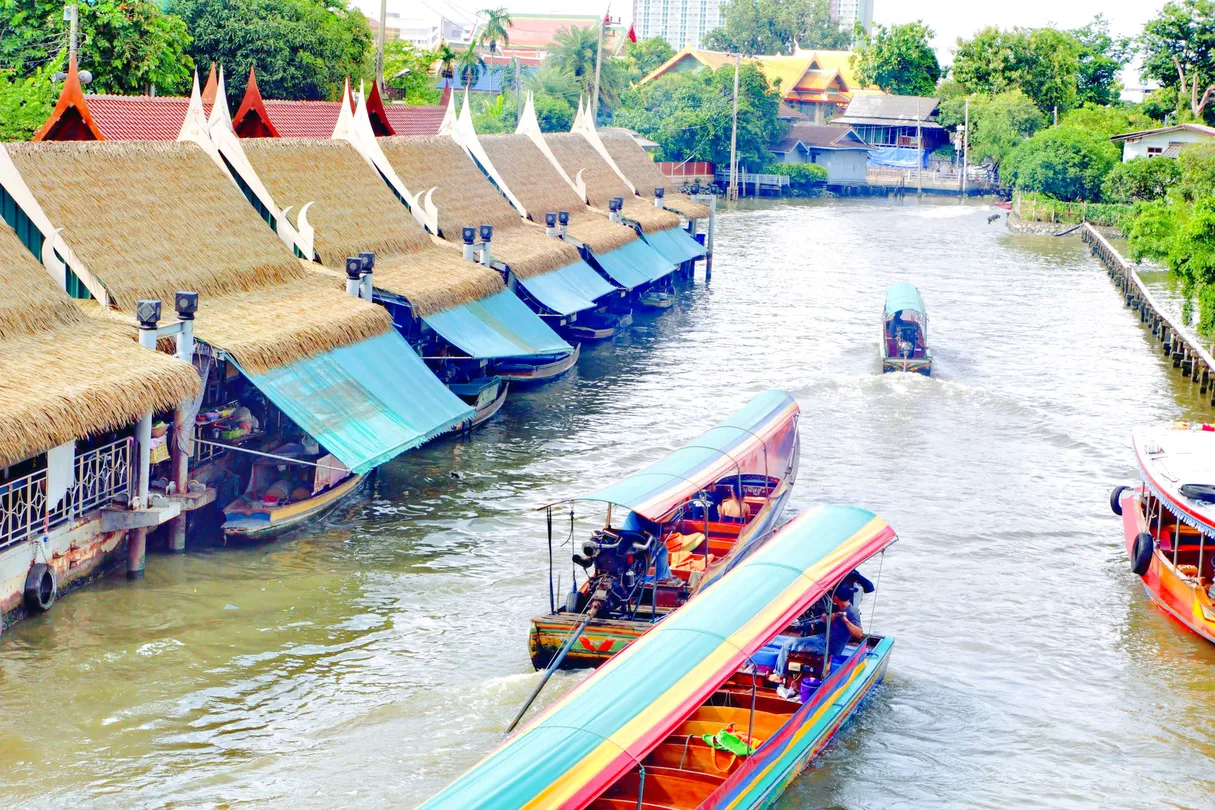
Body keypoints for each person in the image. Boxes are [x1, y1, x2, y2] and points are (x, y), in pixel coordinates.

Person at [771, 588, 863, 700]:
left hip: (827, 645)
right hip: (822, 638)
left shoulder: (852, 612)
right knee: (797, 637)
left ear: (836, 598)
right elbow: (823, 619)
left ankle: (779, 675)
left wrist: (846, 620)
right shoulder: (836, 607)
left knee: (787, 645)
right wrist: (827, 617)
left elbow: (859, 634)